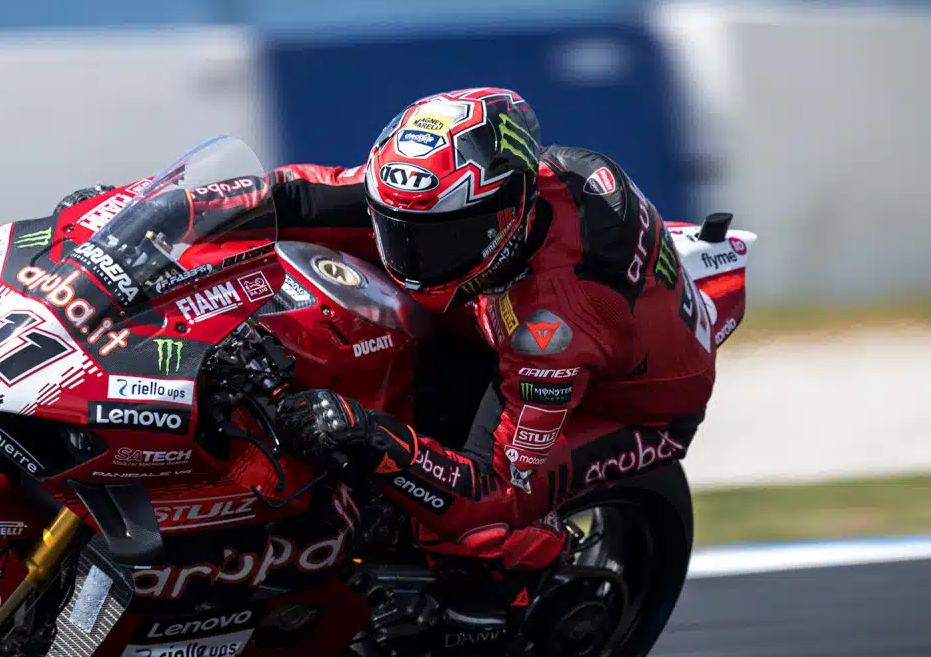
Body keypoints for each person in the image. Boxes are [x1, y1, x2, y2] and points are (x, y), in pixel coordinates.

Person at [266, 87, 740, 571]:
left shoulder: (552, 326)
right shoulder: (491, 207)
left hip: (622, 408)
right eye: (398, 228)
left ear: (509, 212)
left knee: (464, 529)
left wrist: (372, 434)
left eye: (442, 236)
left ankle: (523, 581)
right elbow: (307, 194)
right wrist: (198, 207)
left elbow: (494, 488)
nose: (413, 257)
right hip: (531, 313)